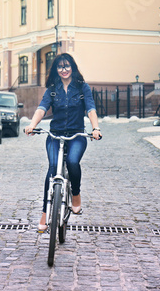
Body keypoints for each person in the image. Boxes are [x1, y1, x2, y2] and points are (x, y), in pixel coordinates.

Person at [25, 53, 102, 232]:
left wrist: (95, 128)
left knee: (72, 162)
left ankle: (75, 194)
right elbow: (42, 108)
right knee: (52, 169)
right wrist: (32, 125)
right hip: (55, 135)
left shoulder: (83, 88)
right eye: (60, 67)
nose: (64, 69)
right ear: (56, 70)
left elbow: (90, 109)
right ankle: (45, 212)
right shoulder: (52, 89)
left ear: (73, 67)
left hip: (76, 136)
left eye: (67, 66)